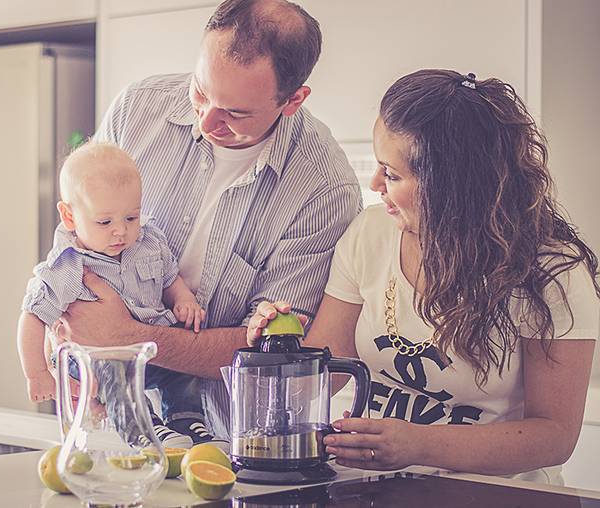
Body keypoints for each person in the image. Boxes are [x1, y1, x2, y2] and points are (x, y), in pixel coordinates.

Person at [247, 69, 600, 483]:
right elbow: (328, 371)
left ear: (450, 186)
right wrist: (280, 349)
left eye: (392, 174)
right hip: (366, 488)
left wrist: (418, 444)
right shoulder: (370, 232)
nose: (375, 184)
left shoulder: (553, 274)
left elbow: (554, 436)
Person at [48, 0, 362, 439]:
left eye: (235, 113)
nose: (207, 121)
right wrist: (62, 336)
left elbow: (275, 353)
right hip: (107, 415)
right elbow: (78, 234)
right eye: (200, 91)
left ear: (293, 100)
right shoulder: (138, 109)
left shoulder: (324, 192)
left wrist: (126, 336)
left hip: (227, 440)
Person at [17, 141, 224, 449]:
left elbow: (170, 278)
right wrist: (37, 373)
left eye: (131, 218)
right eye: (104, 222)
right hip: (95, 360)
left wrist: (183, 299)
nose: (121, 231)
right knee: (114, 368)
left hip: (150, 350)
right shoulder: (68, 265)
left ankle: (187, 421)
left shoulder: (148, 241)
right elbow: (32, 316)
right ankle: (144, 429)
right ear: (69, 216)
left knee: (185, 360)